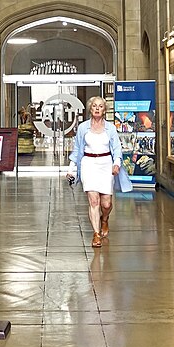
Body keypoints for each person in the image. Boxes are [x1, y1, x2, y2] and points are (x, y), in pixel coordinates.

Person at [68, 96, 133, 248]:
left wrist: (116, 164)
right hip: (88, 164)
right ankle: (96, 234)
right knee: (94, 201)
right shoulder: (83, 127)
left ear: (104, 110)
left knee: (106, 203)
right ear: (90, 109)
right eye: (94, 106)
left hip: (105, 164)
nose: (97, 108)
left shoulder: (110, 128)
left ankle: (105, 219)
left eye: (100, 106)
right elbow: (77, 149)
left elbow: (117, 148)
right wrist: (71, 169)